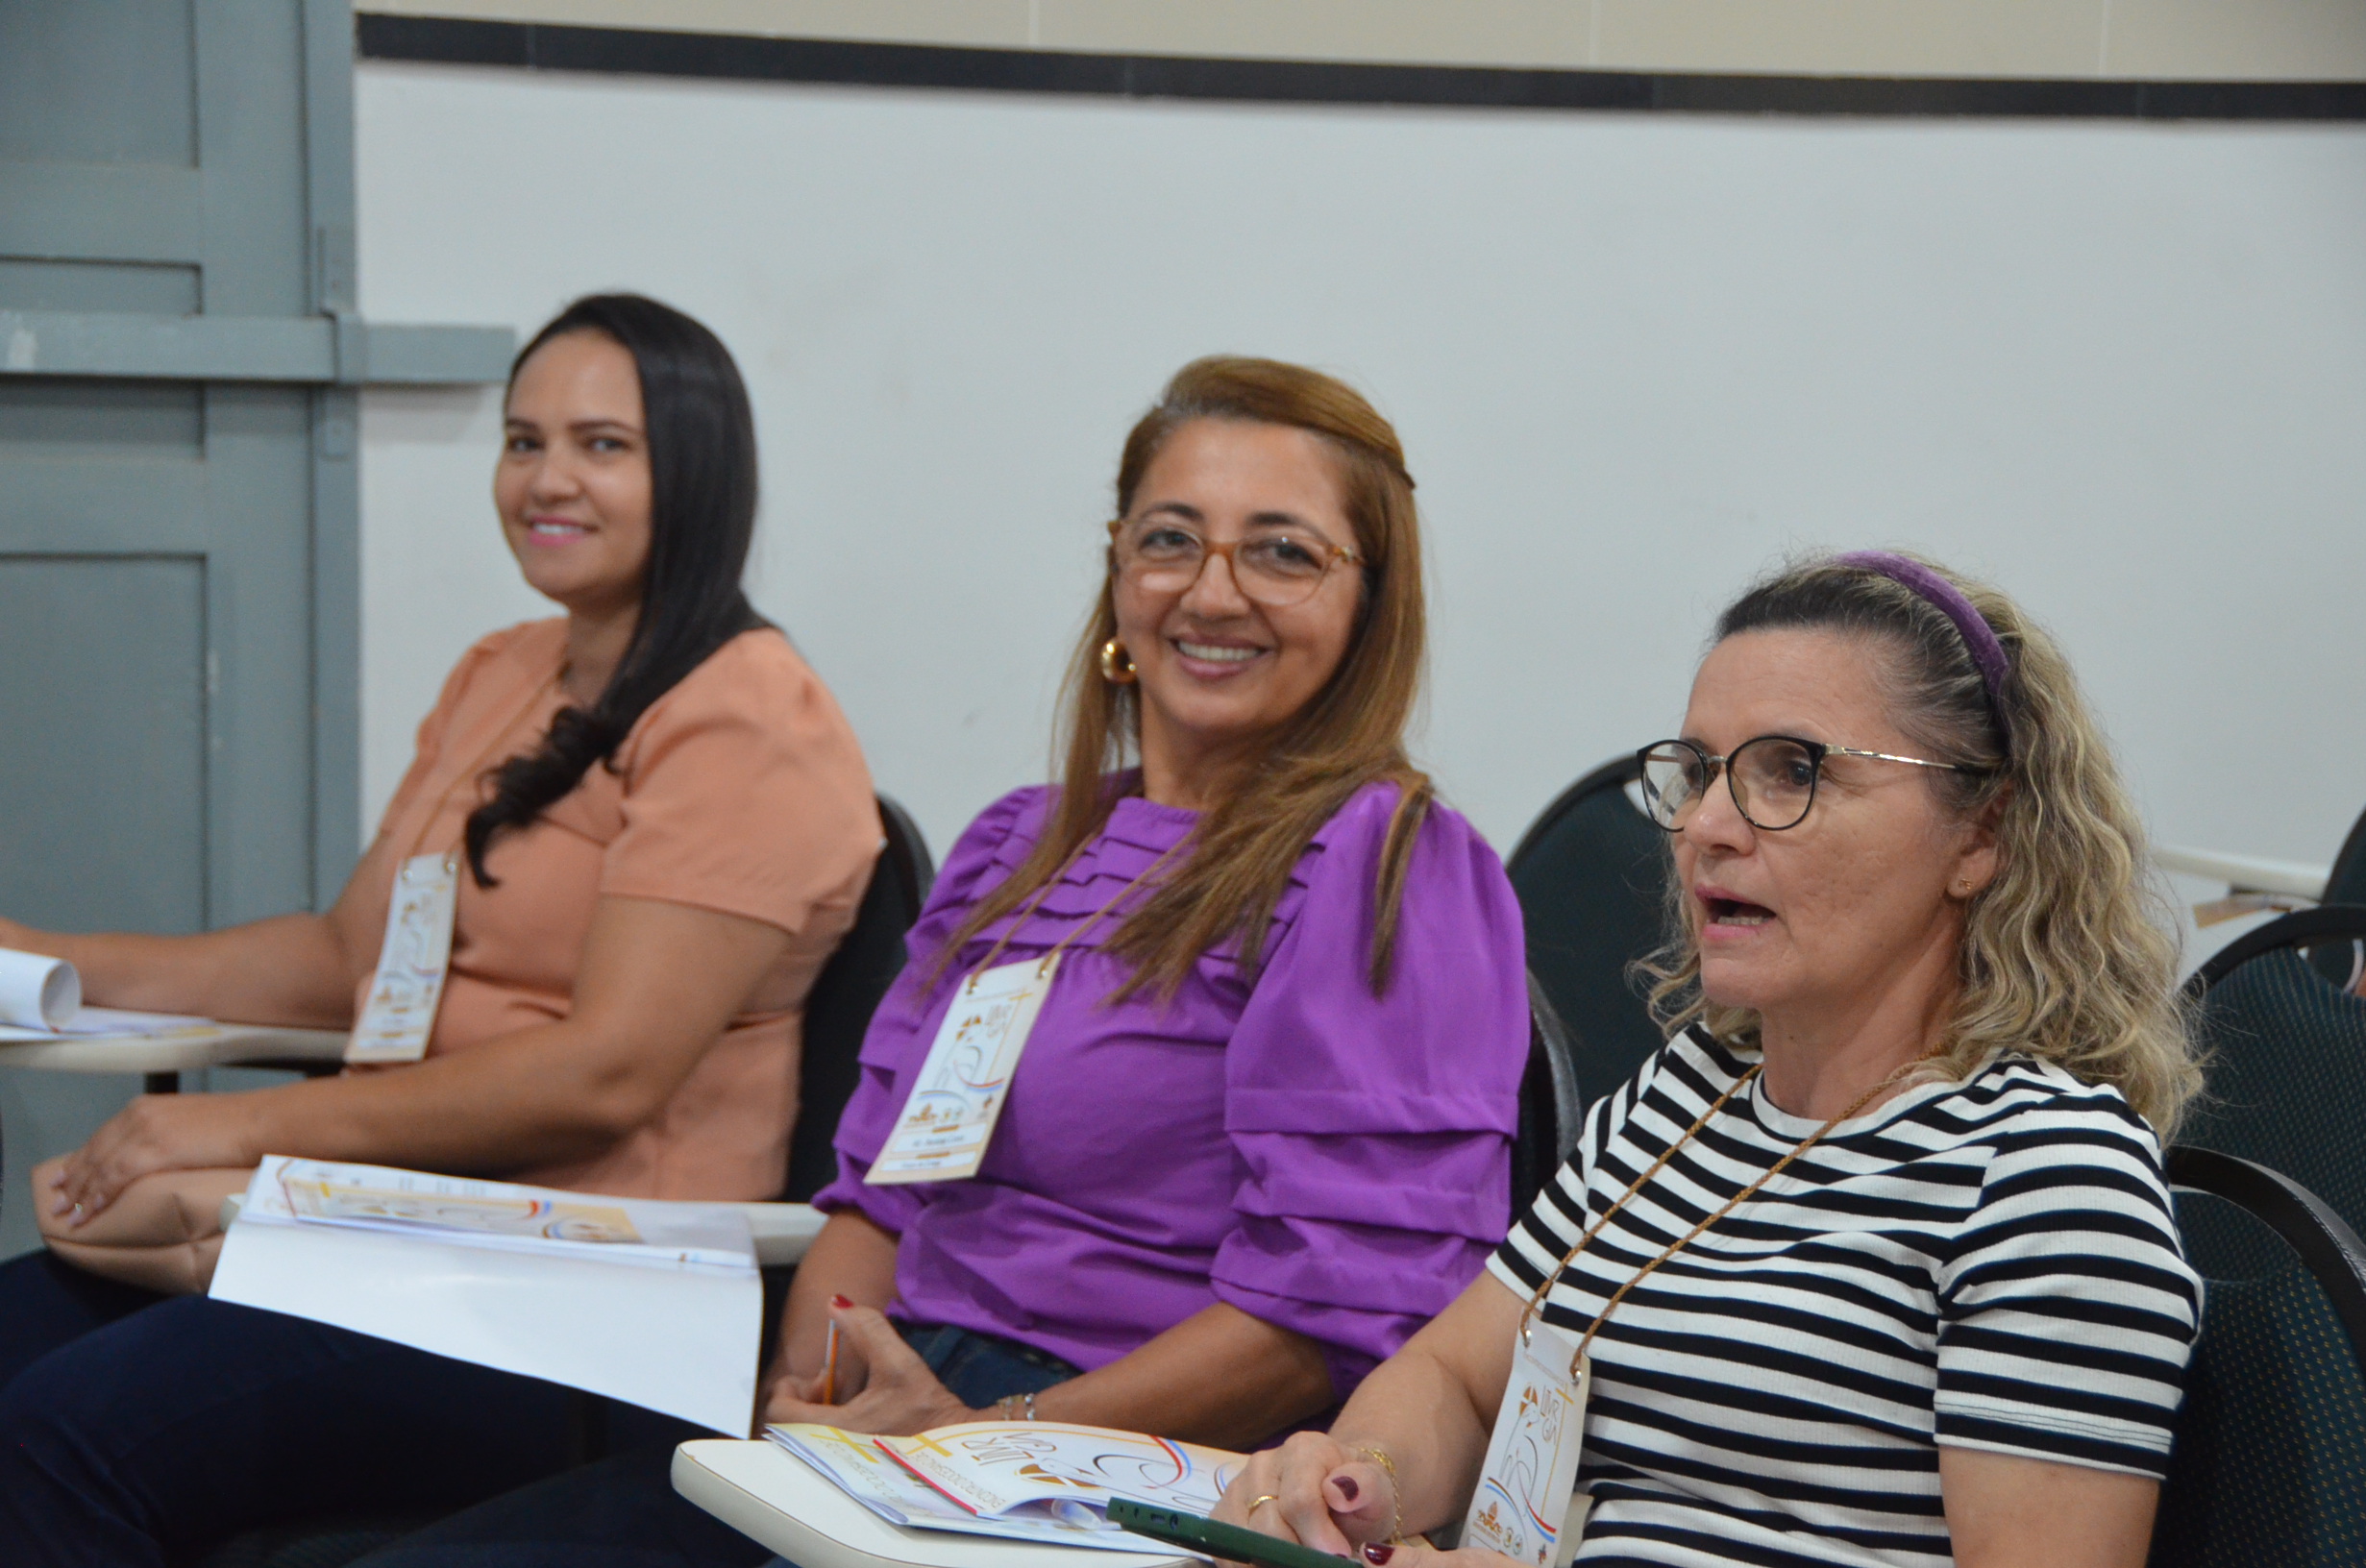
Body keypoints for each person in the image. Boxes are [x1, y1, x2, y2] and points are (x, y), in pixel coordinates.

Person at [339, 355, 1535, 1567]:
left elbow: (1327, 1316)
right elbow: (881, 1195)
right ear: (1118, 571)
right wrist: (820, 1391)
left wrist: (991, 1439)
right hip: (892, 1436)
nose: (1211, 591)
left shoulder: (1384, 861)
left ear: (1369, 604)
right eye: (1170, 540)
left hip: (1126, 1474)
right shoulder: (1018, 846)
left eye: (1282, 552)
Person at [0, 294, 881, 1559]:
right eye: (523, 441)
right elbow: (341, 962)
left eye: (602, 445)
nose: (546, 479)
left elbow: (607, 1071)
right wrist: (45, 957)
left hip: (588, 1297)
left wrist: (230, 1126)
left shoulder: (748, 717)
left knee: (65, 1431)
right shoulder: (506, 669)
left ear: (696, 473)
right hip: (388, 1238)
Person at [1217, 551, 2204, 1568]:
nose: (1706, 827)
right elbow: (1457, 1380)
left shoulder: (2044, 1178)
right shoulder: (1686, 1096)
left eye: (1795, 771)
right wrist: (1358, 1479)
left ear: (1980, 836)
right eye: (1698, 773)